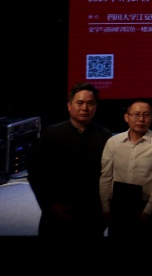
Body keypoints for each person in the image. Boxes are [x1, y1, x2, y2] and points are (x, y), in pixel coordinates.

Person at [29, 82, 110, 242]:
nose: (85, 108)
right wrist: (50, 204)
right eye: (80, 103)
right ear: (69, 106)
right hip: (56, 215)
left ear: (95, 107)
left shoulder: (105, 136)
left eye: (90, 103)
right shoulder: (50, 135)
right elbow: (36, 174)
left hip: (92, 217)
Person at [99, 99, 152, 244]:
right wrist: (106, 209)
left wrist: (147, 213)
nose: (141, 119)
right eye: (136, 114)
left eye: (146, 115)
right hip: (118, 208)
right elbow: (106, 177)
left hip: (147, 208)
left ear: (151, 117)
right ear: (126, 117)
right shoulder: (113, 142)